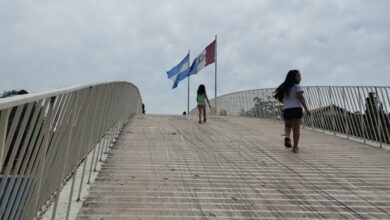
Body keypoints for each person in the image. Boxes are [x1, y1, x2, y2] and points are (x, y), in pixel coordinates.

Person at [273, 70, 310, 153]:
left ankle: (287, 136)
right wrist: (306, 109)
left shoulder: (284, 87)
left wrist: (286, 103)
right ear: (294, 77)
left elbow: (280, 99)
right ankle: (295, 147)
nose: (300, 78)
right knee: (296, 129)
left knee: (288, 126)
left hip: (286, 110)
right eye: (298, 76)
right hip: (296, 109)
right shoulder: (298, 86)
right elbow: (300, 97)